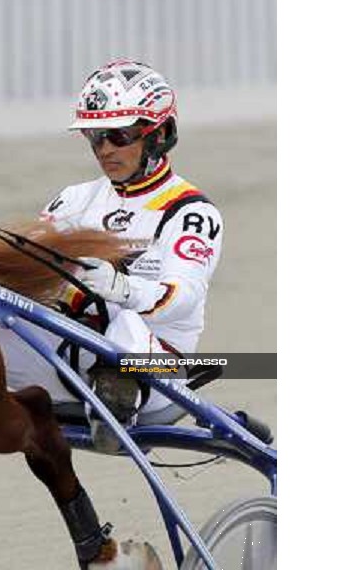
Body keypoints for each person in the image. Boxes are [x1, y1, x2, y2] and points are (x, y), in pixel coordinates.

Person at [35, 59, 224, 452]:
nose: (104, 149)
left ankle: (117, 396)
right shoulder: (74, 199)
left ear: (159, 135)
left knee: (127, 325)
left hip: (158, 371)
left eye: (118, 135)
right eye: (94, 136)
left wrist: (122, 288)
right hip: (77, 353)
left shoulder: (191, 213)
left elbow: (182, 298)